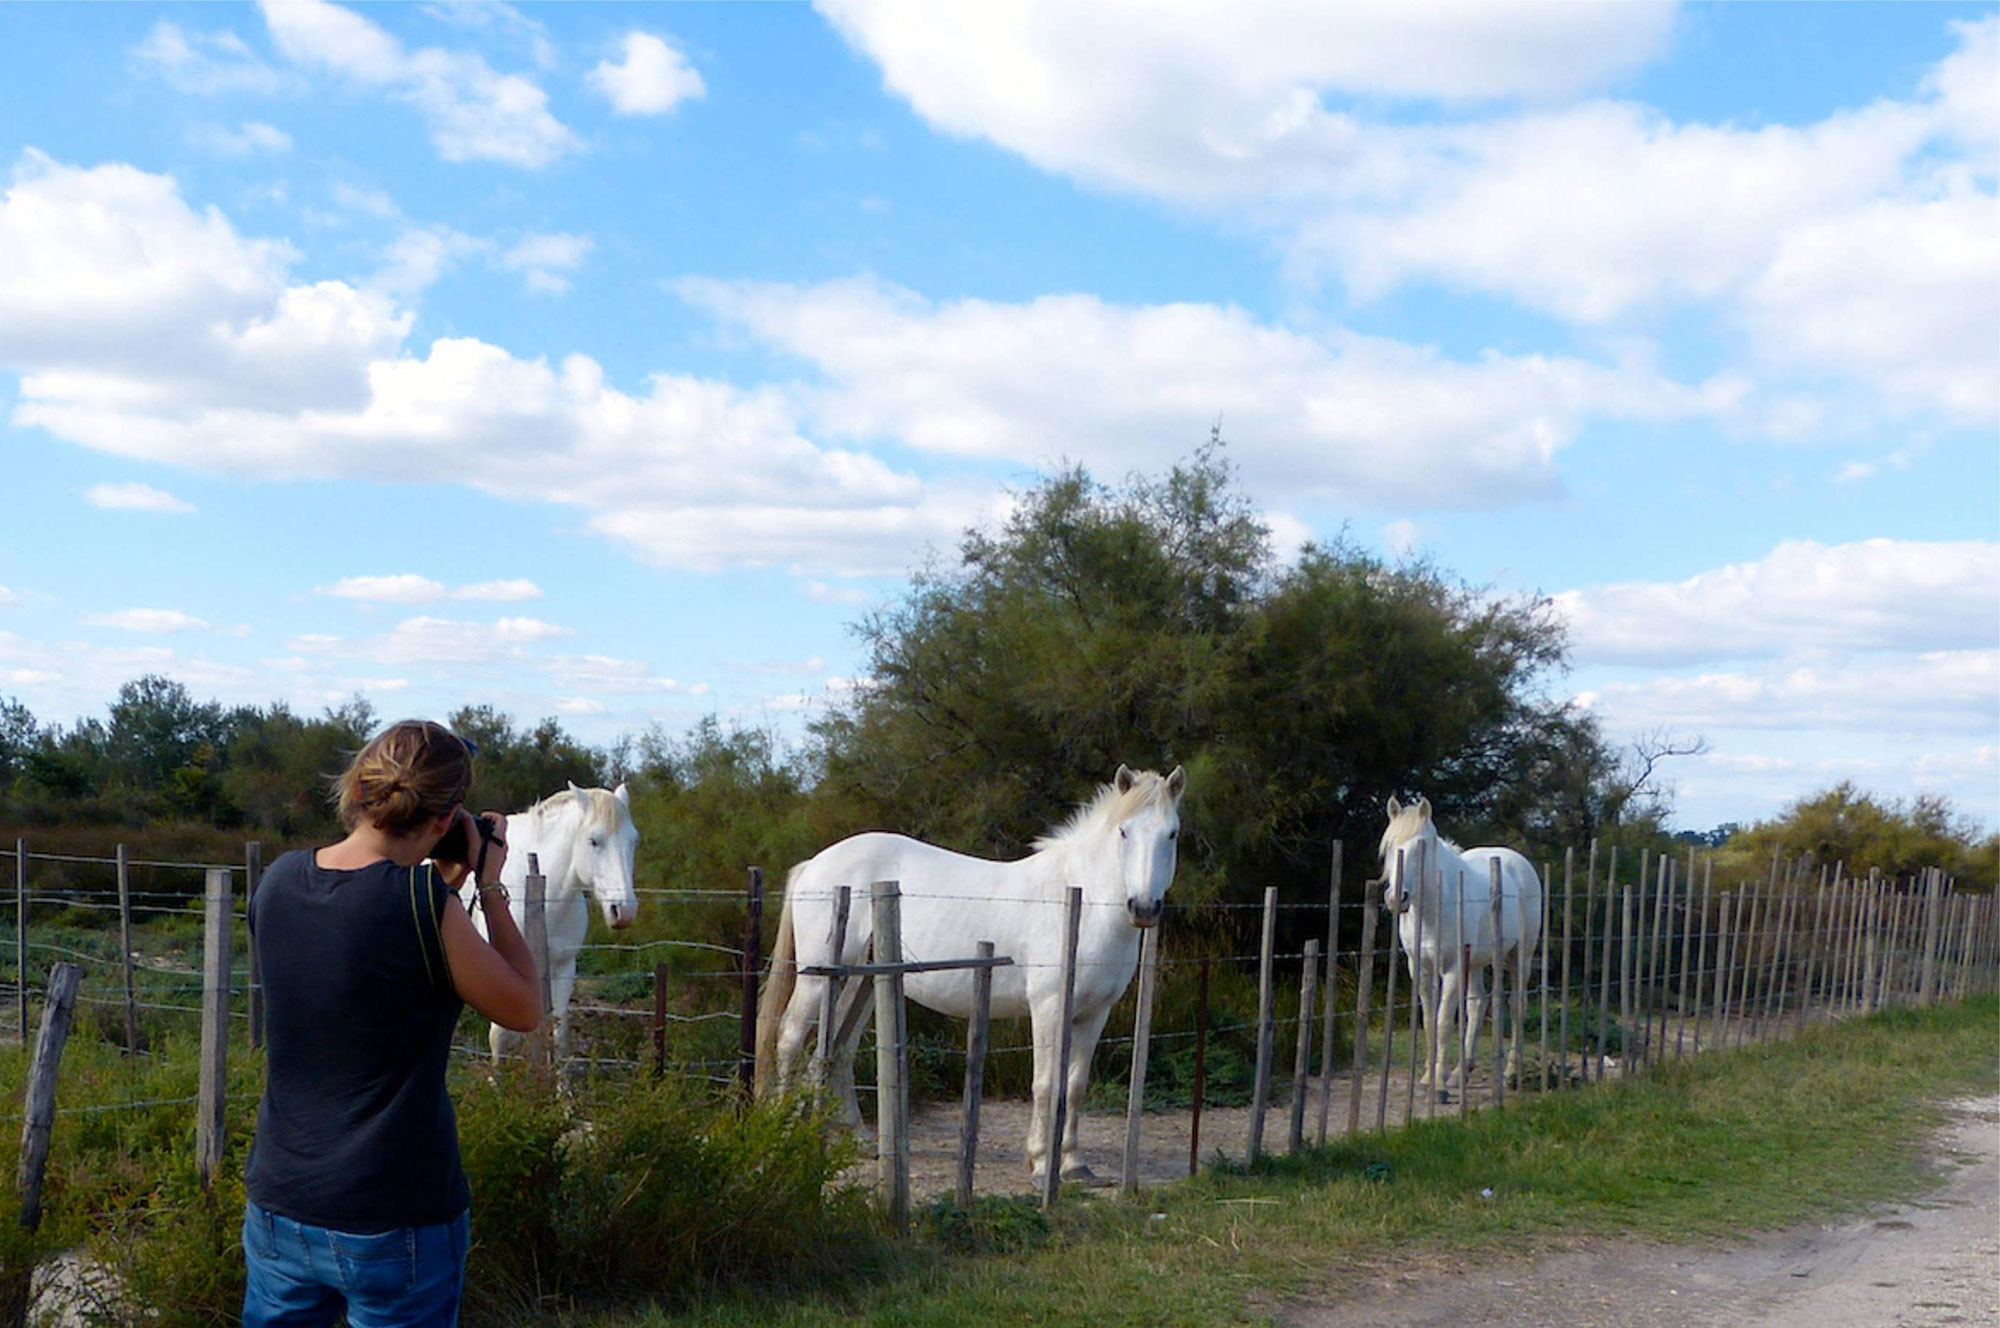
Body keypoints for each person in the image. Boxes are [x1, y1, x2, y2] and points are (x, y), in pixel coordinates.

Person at [242, 719, 542, 1327]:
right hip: (395, 1211)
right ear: (446, 818)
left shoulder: (277, 881)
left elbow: (360, 960)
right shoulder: (423, 905)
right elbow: (524, 1008)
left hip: (282, 1198)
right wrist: (488, 885)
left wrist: (444, 888)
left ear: (358, 792)